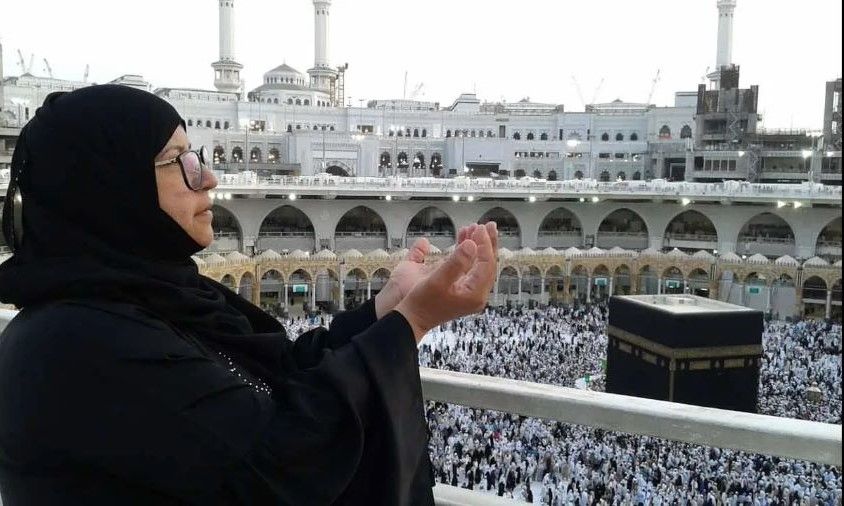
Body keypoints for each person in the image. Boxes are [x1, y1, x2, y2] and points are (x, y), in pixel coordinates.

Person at [0, 85, 499, 505]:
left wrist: (386, 307)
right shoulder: (75, 343)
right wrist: (411, 322)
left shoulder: (157, 300)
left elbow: (279, 373)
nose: (207, 177)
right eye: (178, 161)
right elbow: (279, 458)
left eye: (196, 157)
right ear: (111, 185)